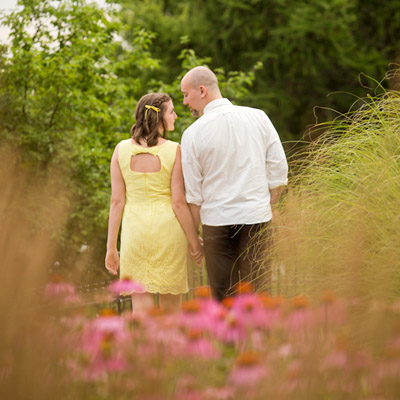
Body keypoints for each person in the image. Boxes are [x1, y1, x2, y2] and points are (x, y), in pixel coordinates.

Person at [180, 66, 288, 301]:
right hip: (257, 218)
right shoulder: (259, 117)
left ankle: (229, 339)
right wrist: (267, 204)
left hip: (217, 225)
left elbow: (194, 194)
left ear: (202, 90)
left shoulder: (192, 134)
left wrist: (197, 237)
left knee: (223, 298)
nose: (185, 102)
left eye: (186, 95)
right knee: (260, 294)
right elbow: (279, 168)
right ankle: (262, 338)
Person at [105, 93, 203, 311]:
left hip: (135, 233)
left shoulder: (120, 150)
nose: (176, 116)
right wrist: (195, 242)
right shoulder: (174, 150)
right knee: (171, 309)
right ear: (158, 118)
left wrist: (111, 246)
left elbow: (116, 202)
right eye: (172, 111)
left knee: (140, 308)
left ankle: (143, 346)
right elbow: (178, 202)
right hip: (169, 233)